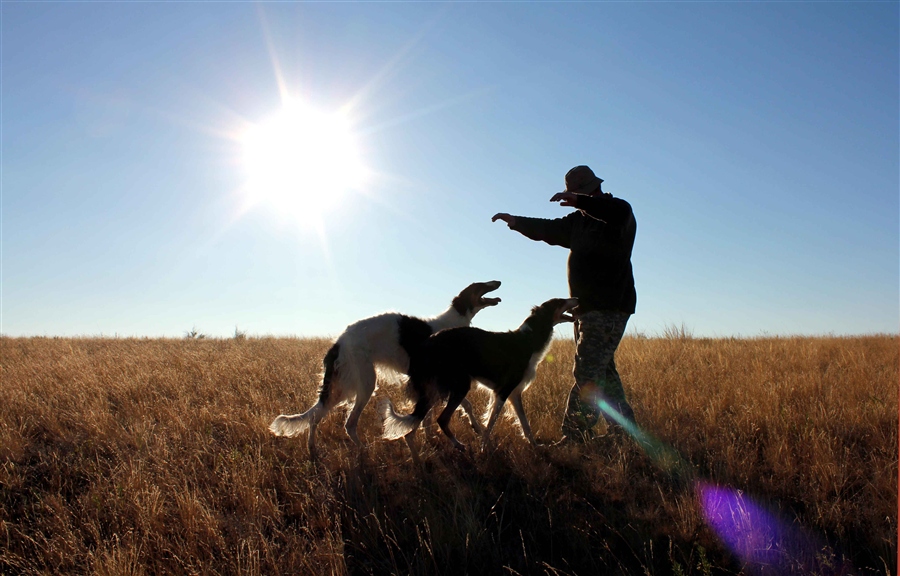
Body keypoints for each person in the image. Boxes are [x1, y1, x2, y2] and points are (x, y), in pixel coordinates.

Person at [492, 165, 637, 443]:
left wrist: (582, 202)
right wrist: (516, 221)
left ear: (593, 190)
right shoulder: (577, 222)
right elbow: (548, 228)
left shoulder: (619, 212)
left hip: (609, 306)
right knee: (603, 371)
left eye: (579, 194)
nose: (575, 199)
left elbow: (614, 212)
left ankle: (575, 435)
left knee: (586, 372)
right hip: (586, 309)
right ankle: (624, 433)